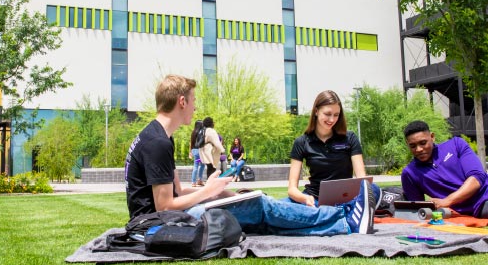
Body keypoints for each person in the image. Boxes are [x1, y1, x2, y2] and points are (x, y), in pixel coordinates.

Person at [124, 74, 376, 235]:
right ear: (181, 102)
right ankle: (343, 220)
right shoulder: (158, 142)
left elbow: (177, 192)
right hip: (156, 226)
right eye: (193, 100)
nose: (195, 106)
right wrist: (208, 192)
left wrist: (223, 192)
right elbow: (165, 205)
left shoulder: (159, 136)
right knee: (259, 207)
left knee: (255, 208)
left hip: (161, 219)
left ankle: (340, 222)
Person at [287, 90, 378, 208]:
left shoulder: (350, 138)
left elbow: (362, 180)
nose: (332, 119)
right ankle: (333, 216)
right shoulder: (301, 142)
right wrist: (305, 199)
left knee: (374, 189)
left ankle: (331, 215)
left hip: (347, 201)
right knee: (280, 205)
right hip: (314, 200)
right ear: (316, 111)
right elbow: (292, 189)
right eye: (327, 114)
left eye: (336, 115)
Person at [189, 120, 205, 187]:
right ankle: (199, 180)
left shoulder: (193, 132)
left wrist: (190, 152)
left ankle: (193, 182)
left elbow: (191, 143)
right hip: (200, 151)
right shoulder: (201, 132)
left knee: (196, 165)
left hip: (194, 151)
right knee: (202, 165)